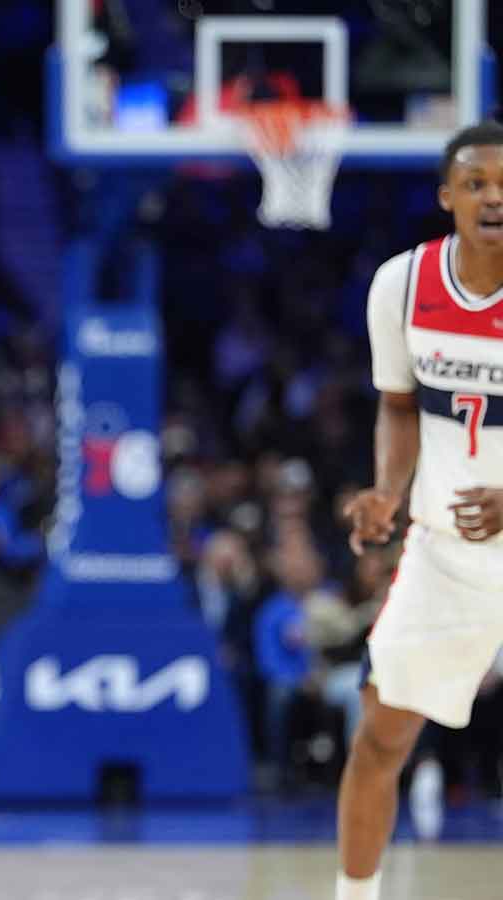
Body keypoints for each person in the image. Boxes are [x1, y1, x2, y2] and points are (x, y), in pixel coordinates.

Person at [338, 120, 503, 900]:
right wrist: (387, 493)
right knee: (379, 739)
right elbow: (399, 407)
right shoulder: (401, 284)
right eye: (476, 182)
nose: (493, 197)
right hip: (449, 553)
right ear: (448, 197)